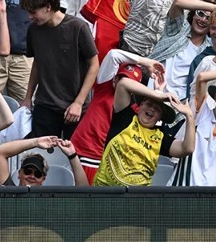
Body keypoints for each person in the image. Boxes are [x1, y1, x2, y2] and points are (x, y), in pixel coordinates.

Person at [69, 49, 163, 183]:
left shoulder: (134, 109)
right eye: (120, 77)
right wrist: (147, 62)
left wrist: (158, 91)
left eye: (128, 81)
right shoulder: (103, 88)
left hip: (105, 161)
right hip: (83, 153)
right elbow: (113, 55)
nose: (120, 82)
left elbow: (155, 116)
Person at [19, 0, 99, 139]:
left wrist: (79, 102)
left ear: (48, 7)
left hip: (74, 108)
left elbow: (94, 64)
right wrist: (28, 97)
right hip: (44, 106)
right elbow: (37, 62)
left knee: (71, 157)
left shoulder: (78, 27)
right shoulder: (33, 30)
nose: (29, 17)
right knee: (38, 156)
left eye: (33, 12)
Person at [93, 75, 196, 187]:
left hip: (137, 200)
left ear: (160, 117)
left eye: (157, 109)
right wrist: (157, 95)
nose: (151, 109)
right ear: (140, 105)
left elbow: (187, 148)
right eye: (149, 104)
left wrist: (190, 116)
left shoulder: (160, 138)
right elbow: (123, 83)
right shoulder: (125, 118)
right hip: (104, 193)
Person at [0, 136, 89, 186]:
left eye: (37, 174)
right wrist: (36, 142)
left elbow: (84, 192)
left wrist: (72, 155)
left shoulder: (48, 201)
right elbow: (0, 151)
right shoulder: (8, 192)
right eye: (28, 171)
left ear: (43, 179)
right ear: (19, 173)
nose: (32, 176)